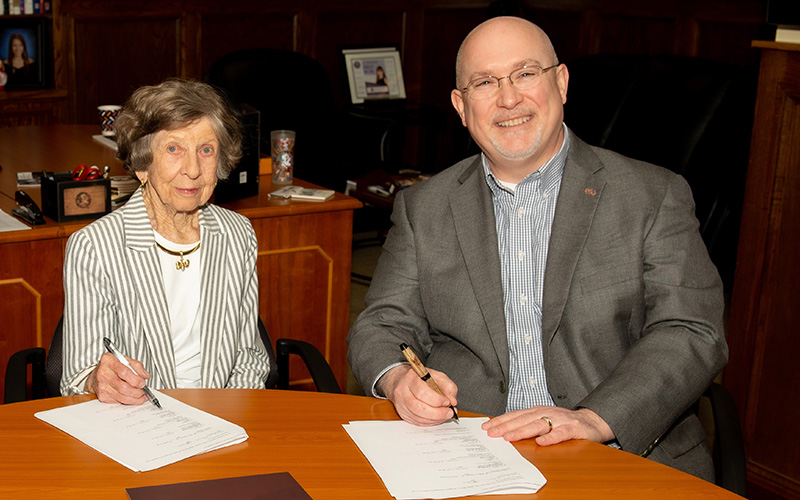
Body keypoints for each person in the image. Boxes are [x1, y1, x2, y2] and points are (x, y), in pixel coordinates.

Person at [347, 16, 728, 480]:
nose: (509, 99)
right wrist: (399, 379)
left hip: (621, 455)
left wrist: (594, 418)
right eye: (485, 82)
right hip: (472, 450)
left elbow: (690, 331)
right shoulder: (423, 208)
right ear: (461, 106)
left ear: (562, 82)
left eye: (526, 73)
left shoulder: (652, 194)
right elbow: (382, 324)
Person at [61, 79, 271, 403]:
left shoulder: (237, 235)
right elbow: (76, 379)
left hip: (223, 417)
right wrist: (96, 379)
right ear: (143, 164)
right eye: (174, 149)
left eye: (206, 150)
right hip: (137, 423)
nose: (192, 169)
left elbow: (249, 358)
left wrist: (232, 421)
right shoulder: (94, 248)